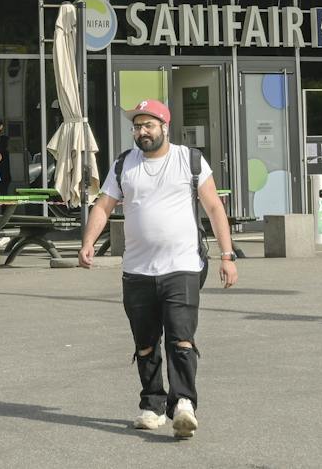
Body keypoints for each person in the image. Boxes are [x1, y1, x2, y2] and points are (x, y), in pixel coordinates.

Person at [78, 98, 238, 441]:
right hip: (137, 270)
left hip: (182, 266)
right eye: (137, 126)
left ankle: (183, 405)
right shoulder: (124, 164)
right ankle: (152, 406)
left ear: (164, 126)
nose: (142, 132)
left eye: (148, 125)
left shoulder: (189, 160)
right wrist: (88, 241)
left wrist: (227, 255)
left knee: (181, 337)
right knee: (146, 342)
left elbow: (213, 207)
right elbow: (104, 206)